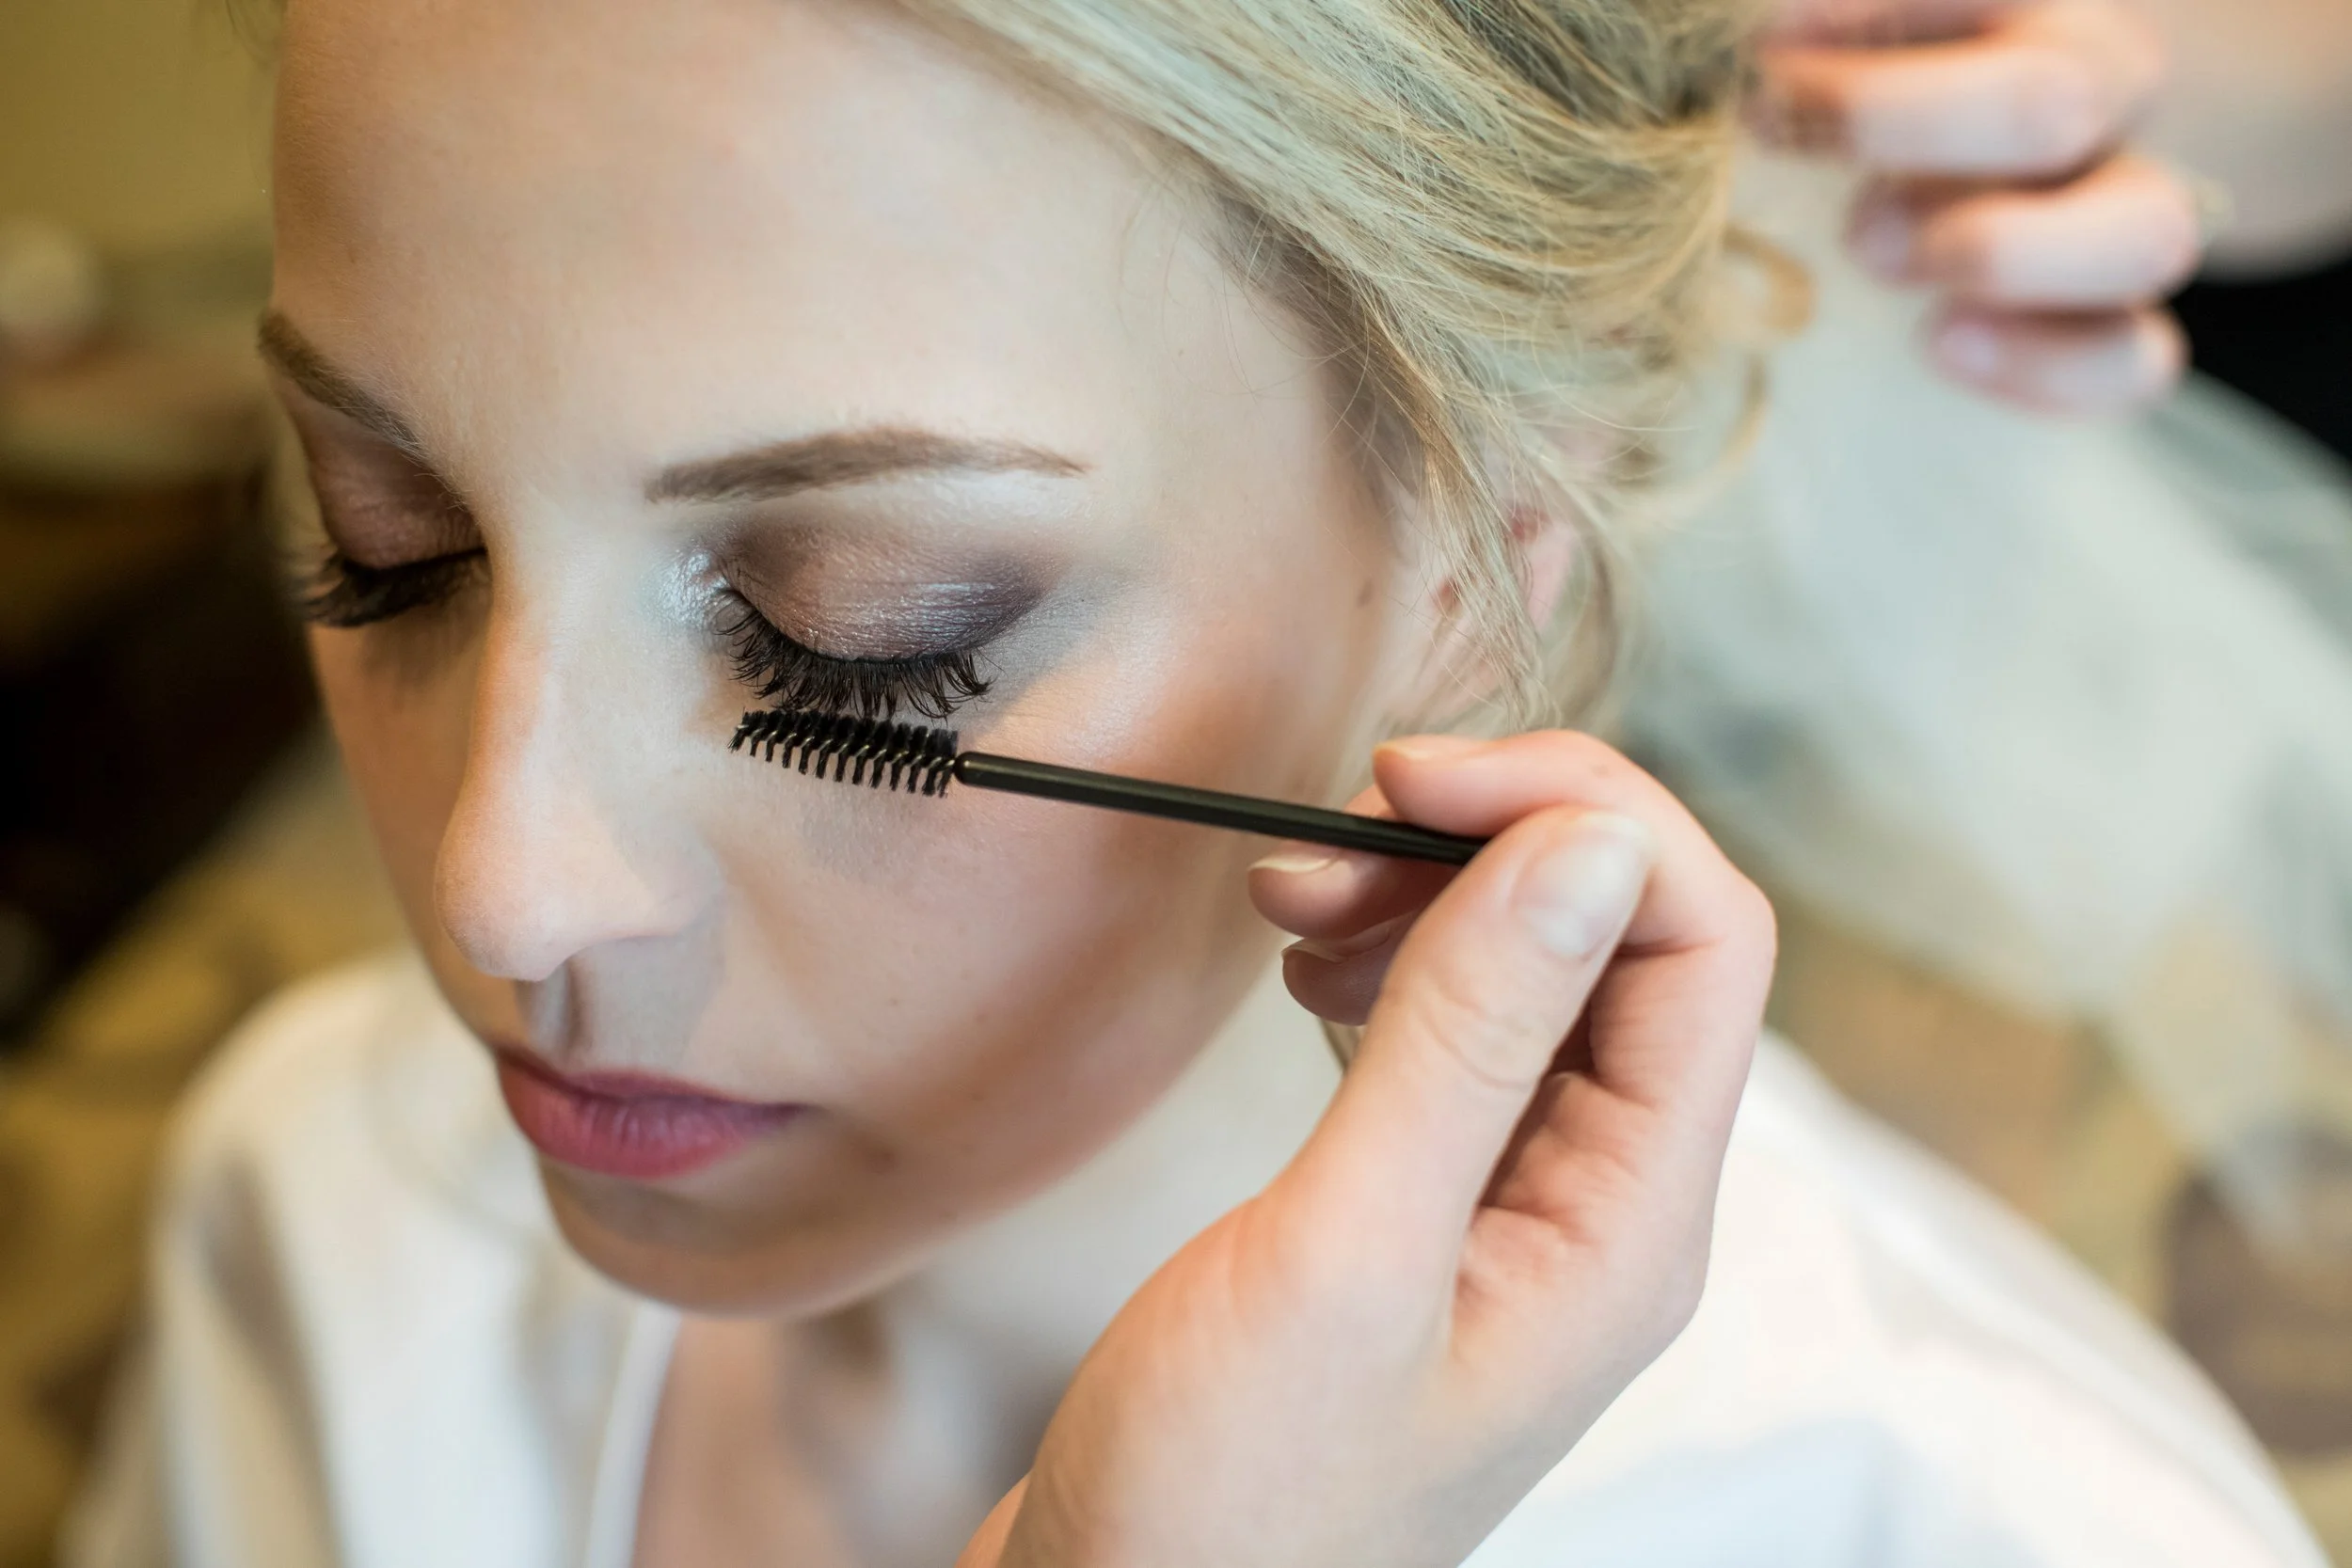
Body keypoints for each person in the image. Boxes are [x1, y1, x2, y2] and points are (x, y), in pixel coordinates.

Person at [62, 0, 2331, 1562]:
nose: (502, 891)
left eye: (873, 629)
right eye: (392, 547)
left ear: (1484, 548)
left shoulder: (1970, 1513)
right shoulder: (320, 1200)